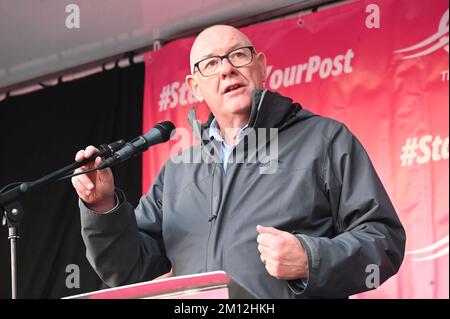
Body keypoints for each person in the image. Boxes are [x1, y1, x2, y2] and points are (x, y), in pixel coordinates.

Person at [71, 25, 406, 298]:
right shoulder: (178, 170)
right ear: (195, 87)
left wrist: (311, 258)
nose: (227, 68)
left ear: (260, 67)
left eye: (237, 55)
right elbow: (131, 269)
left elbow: (383, 239)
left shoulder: (325, 140)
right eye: (210, 64)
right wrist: (103, 210)